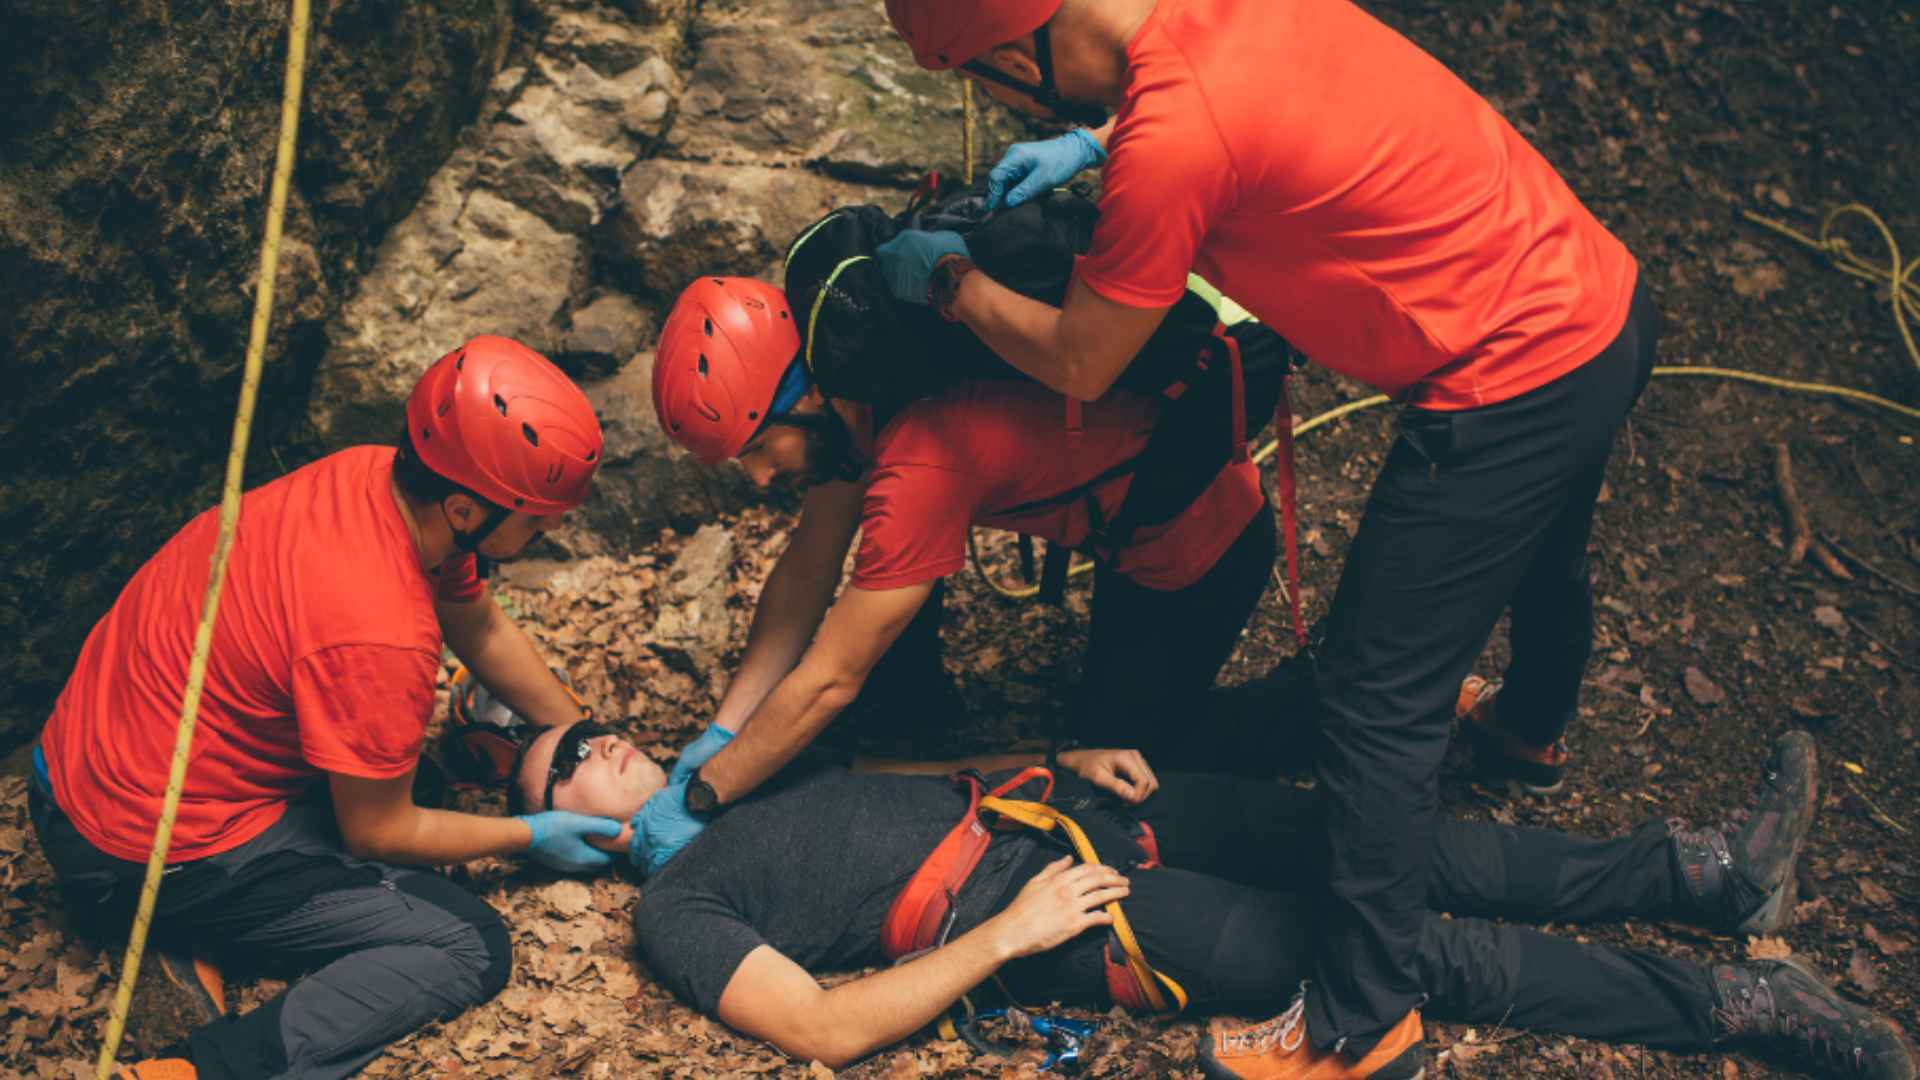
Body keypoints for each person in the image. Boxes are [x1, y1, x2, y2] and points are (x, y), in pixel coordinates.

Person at [875, 0, 1659, 1072]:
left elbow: (1081, 361)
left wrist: (952, 283)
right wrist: (1095, 143)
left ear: (1016, 52)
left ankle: (1360, 1023)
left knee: (1375, 705)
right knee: (1545, 545)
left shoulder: (1173, 138)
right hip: (1596, 301)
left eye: (986, 84)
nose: (993, 104)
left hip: (1505, 379)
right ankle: (1528, 730)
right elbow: (1255, 111)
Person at [516, 720, 1916, 1079]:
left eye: (592, 730)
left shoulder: (740, 781)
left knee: (1397, 845)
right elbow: (820, 1030)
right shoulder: (678, 903)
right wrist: (1006, 936)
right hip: (1058, 911)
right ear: (556, 831)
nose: (600, 748)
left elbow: (906, 780)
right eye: (566, 767)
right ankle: (1740, 1006)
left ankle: (1709, 876)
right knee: (1402, 955)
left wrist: (1054, 758)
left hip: (1079, 814)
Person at [29, 337, 625, 1080]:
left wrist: (578, 728)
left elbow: (478, 621)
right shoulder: (382, 629)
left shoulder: (381, 479)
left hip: (79, 766)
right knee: (467, 944)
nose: (548, 533)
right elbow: (378, 830)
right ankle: (198, 1068)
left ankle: (195, 944)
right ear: (468, 508)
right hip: (127, 851)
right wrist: (529, 832)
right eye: (536, 523)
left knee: (422, 782)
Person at [634, 275, 1279, 873]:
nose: (761, 478)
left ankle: (1309, 709)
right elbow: (807, 568)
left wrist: (705, 797)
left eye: (757, 450)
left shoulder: (922, 462)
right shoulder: (863, 393)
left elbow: (832, 679)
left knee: (1122, 784)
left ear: (808, 397)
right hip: (1125, 531)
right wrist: (727, 730)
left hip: (1198, 554)